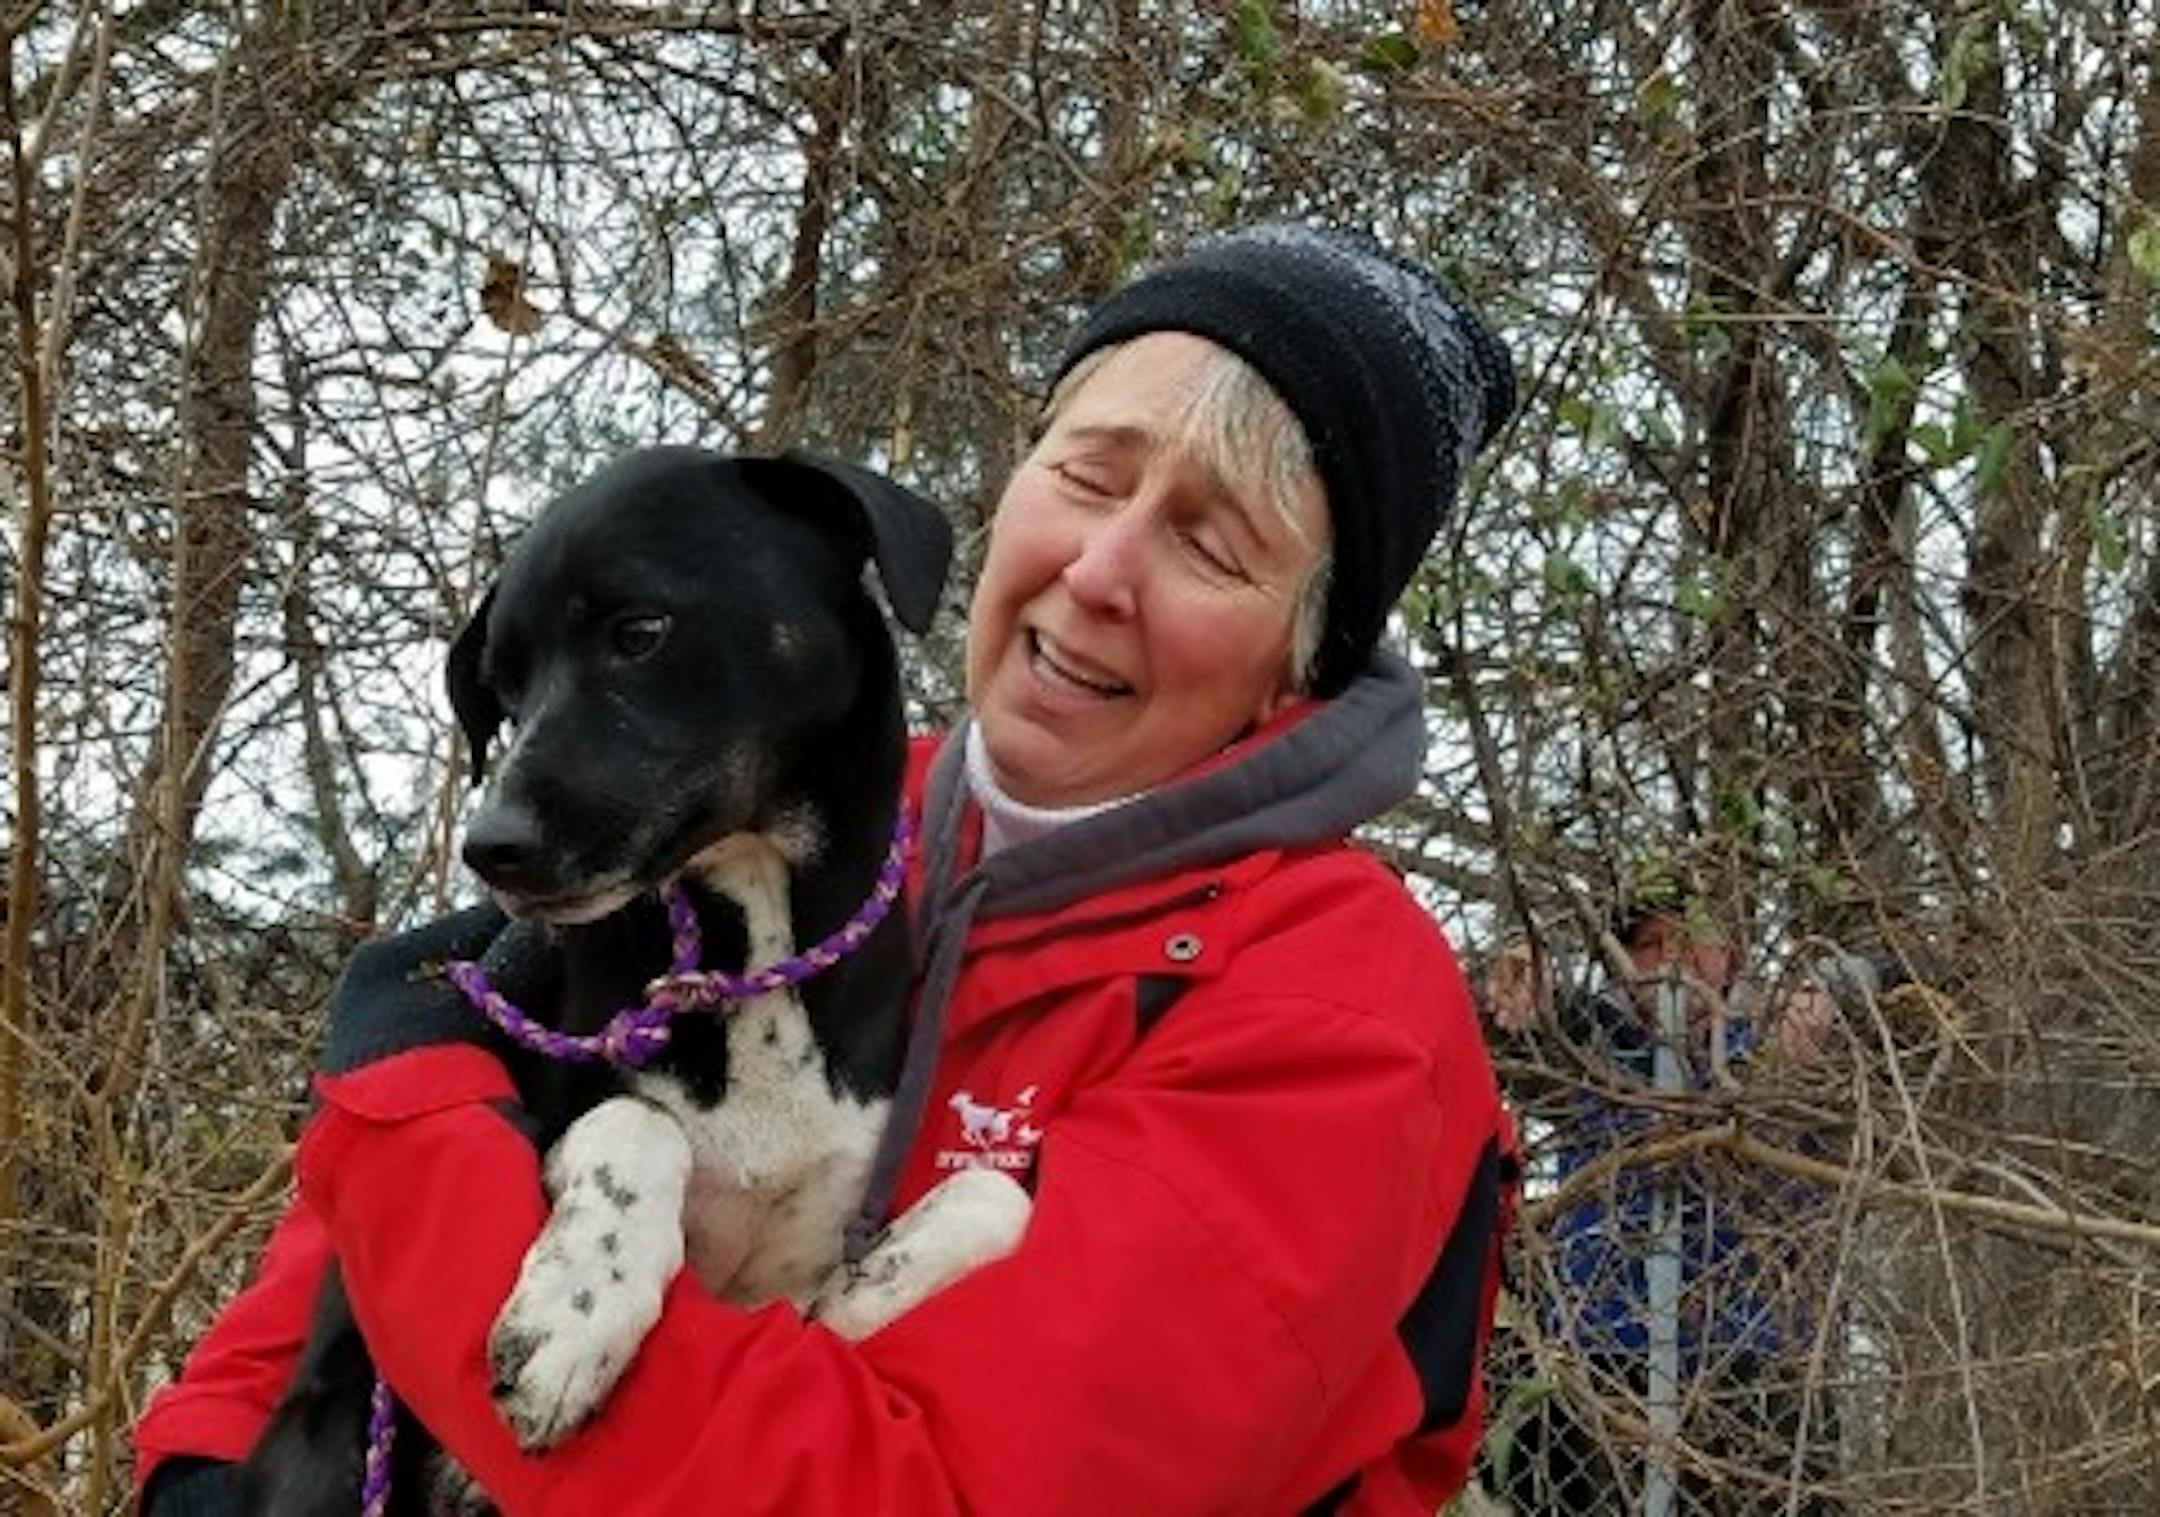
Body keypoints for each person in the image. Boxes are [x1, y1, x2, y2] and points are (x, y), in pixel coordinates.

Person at [135, 224, 1521, 1515]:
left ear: (1306, 654)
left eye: (1210, 544)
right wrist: (200, 1474)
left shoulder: (1339, 1014)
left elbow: (910, 1491)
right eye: (1087, 476)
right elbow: (310, 1316)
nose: (1102, 569)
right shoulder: (768, 827)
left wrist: (409, 1131)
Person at [1481, 884, 1847, 1515]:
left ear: (1730, 954)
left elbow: (1927, 977)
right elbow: (1497, 1027)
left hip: (1761, 1373)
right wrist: (1518, 982)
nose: (1671, 962)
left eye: (1689, 941)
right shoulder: (1588, 1053)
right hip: (1608, 1364)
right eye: (1649, 946)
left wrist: (1838, 988)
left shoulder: (1781, 1049)